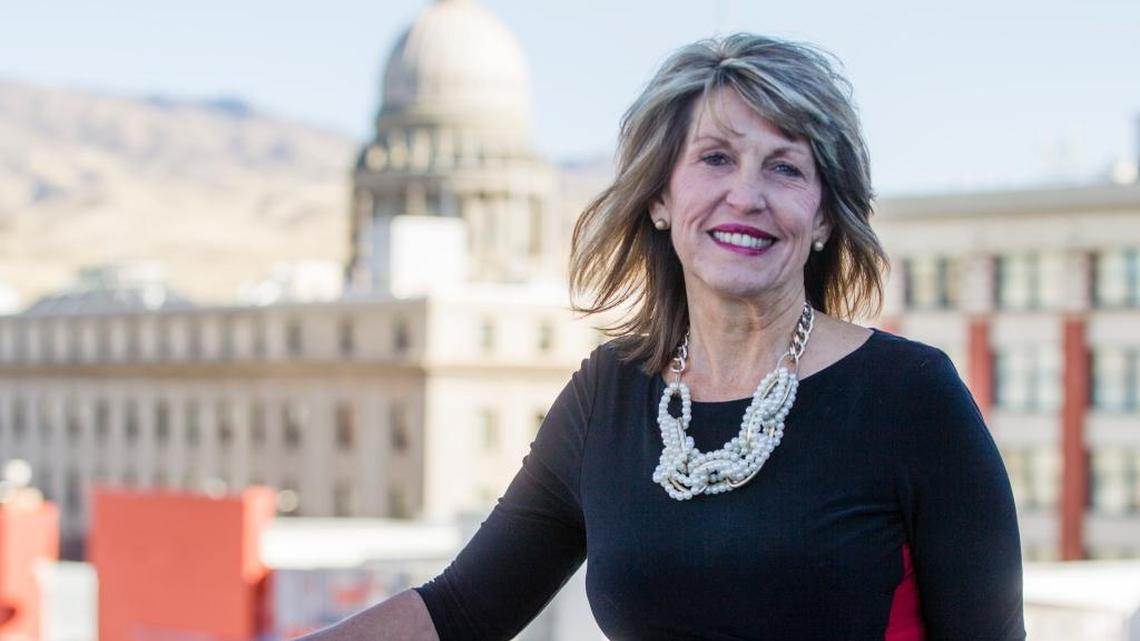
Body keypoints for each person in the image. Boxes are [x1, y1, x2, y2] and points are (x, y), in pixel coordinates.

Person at [300, 33, 1026, 641]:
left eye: (785, 167)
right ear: (658, 196)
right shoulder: (607, 397)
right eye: (715, 158)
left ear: (826, 217)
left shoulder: (910, 398)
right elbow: (460, 611)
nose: (746, 194)